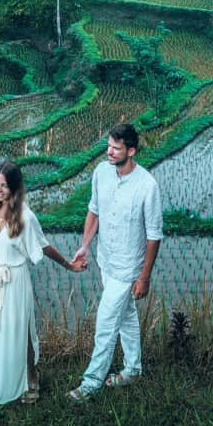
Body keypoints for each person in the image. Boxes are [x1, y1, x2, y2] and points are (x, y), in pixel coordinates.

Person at [0, 161, 85, 409]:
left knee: (20, 331)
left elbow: (43, 246)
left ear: (15, 188)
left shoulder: (25, 217)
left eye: (4, 186)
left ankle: (30, 378)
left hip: (13, 281)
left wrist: (69, 265)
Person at [68, 123, 163, 400]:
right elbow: (94, 211)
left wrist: (143, 277)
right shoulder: (101, 172)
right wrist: (85, 246)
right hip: (105, 260)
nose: (109, 152)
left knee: (106, 322)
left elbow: (154, 236)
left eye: (116, 148)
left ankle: (90, 384)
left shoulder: (147, 186)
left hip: (128, 268)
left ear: (131, 151)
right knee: (127, 317)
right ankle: (133, 369)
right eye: (108, 145)